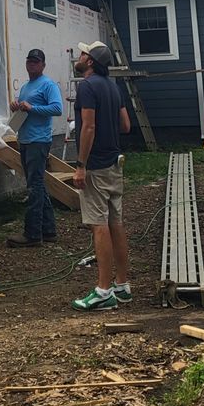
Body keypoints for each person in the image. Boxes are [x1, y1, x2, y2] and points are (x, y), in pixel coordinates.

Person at [70, 40, 132, 311]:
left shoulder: (88, 86)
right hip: (114, 164)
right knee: (115, 223)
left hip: (95, 166)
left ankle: (103, 291)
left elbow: (88, 128)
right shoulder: (113, 88)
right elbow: (126, 126)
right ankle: (122, 285)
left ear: (91, 61)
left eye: (83, 53)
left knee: (99, 225)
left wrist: (81, 164)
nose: (79, 56)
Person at [7, 49, 63, 248]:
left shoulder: (48, 85)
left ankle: (32, 234)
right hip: (26, 140)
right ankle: (48, 231)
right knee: (37, 184)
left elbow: (57, 108)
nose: (32, 65)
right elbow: (25, 109)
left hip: (39, 141)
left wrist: (32, 108)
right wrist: (16, 106)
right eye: (29, 61)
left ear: (43, 65)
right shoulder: (26, 87)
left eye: (36, 62)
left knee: (35, 187)